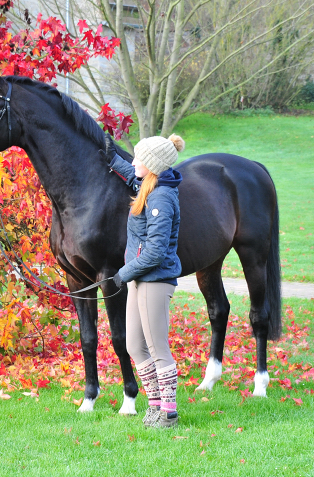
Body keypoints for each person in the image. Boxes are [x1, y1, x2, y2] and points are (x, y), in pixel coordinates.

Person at [102, 134, 184, 428]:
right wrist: (111, 159)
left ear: (152, 165)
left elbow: (155, 252)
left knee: (157, 348)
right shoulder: (148, 184)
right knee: (136, 346)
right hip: (139, 277)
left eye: (139, 158)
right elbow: (130, 173)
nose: (134, 162)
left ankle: (169, 414)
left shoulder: (161, 197)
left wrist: (122, 274)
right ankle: (154, 406)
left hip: (154, 279)